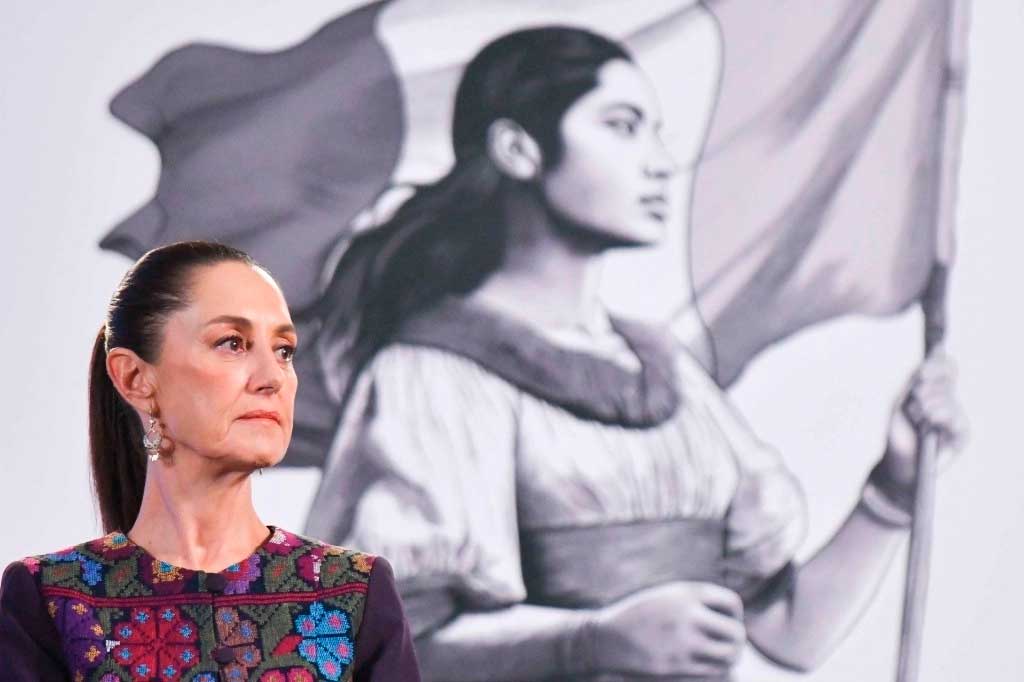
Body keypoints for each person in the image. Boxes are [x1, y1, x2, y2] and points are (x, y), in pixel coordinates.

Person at [301, 27, 967, 681]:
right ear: (518, 149)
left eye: (655, 132)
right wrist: (590, 641)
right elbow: (380, 647)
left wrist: (894, 487)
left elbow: (788, 633)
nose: (657, 162)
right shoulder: (431, 378)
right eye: (622, 127)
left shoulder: (669, 375)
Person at [0, 241, 421, 681]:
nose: (273, 377)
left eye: (284, 350)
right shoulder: (53, 601)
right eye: (232, 343)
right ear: (135, 378)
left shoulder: (354, 592)